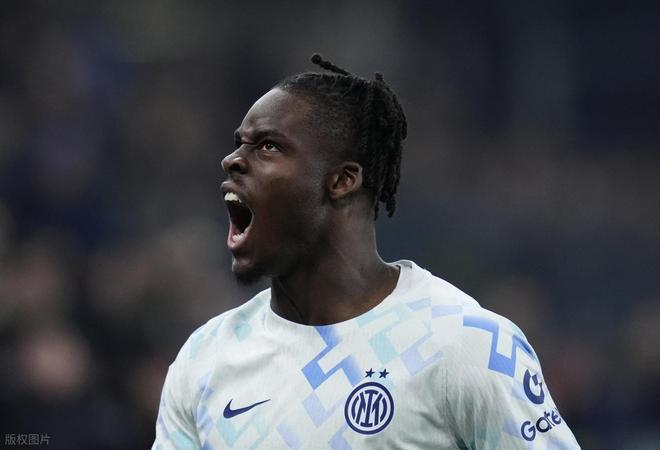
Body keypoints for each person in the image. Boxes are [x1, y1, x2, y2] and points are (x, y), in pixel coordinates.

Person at [152, 54, 580, 449]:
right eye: (239, 143)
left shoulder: (465, 344)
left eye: (267, 146)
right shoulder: (205, 358)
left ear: (342, 180)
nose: (232, 160)